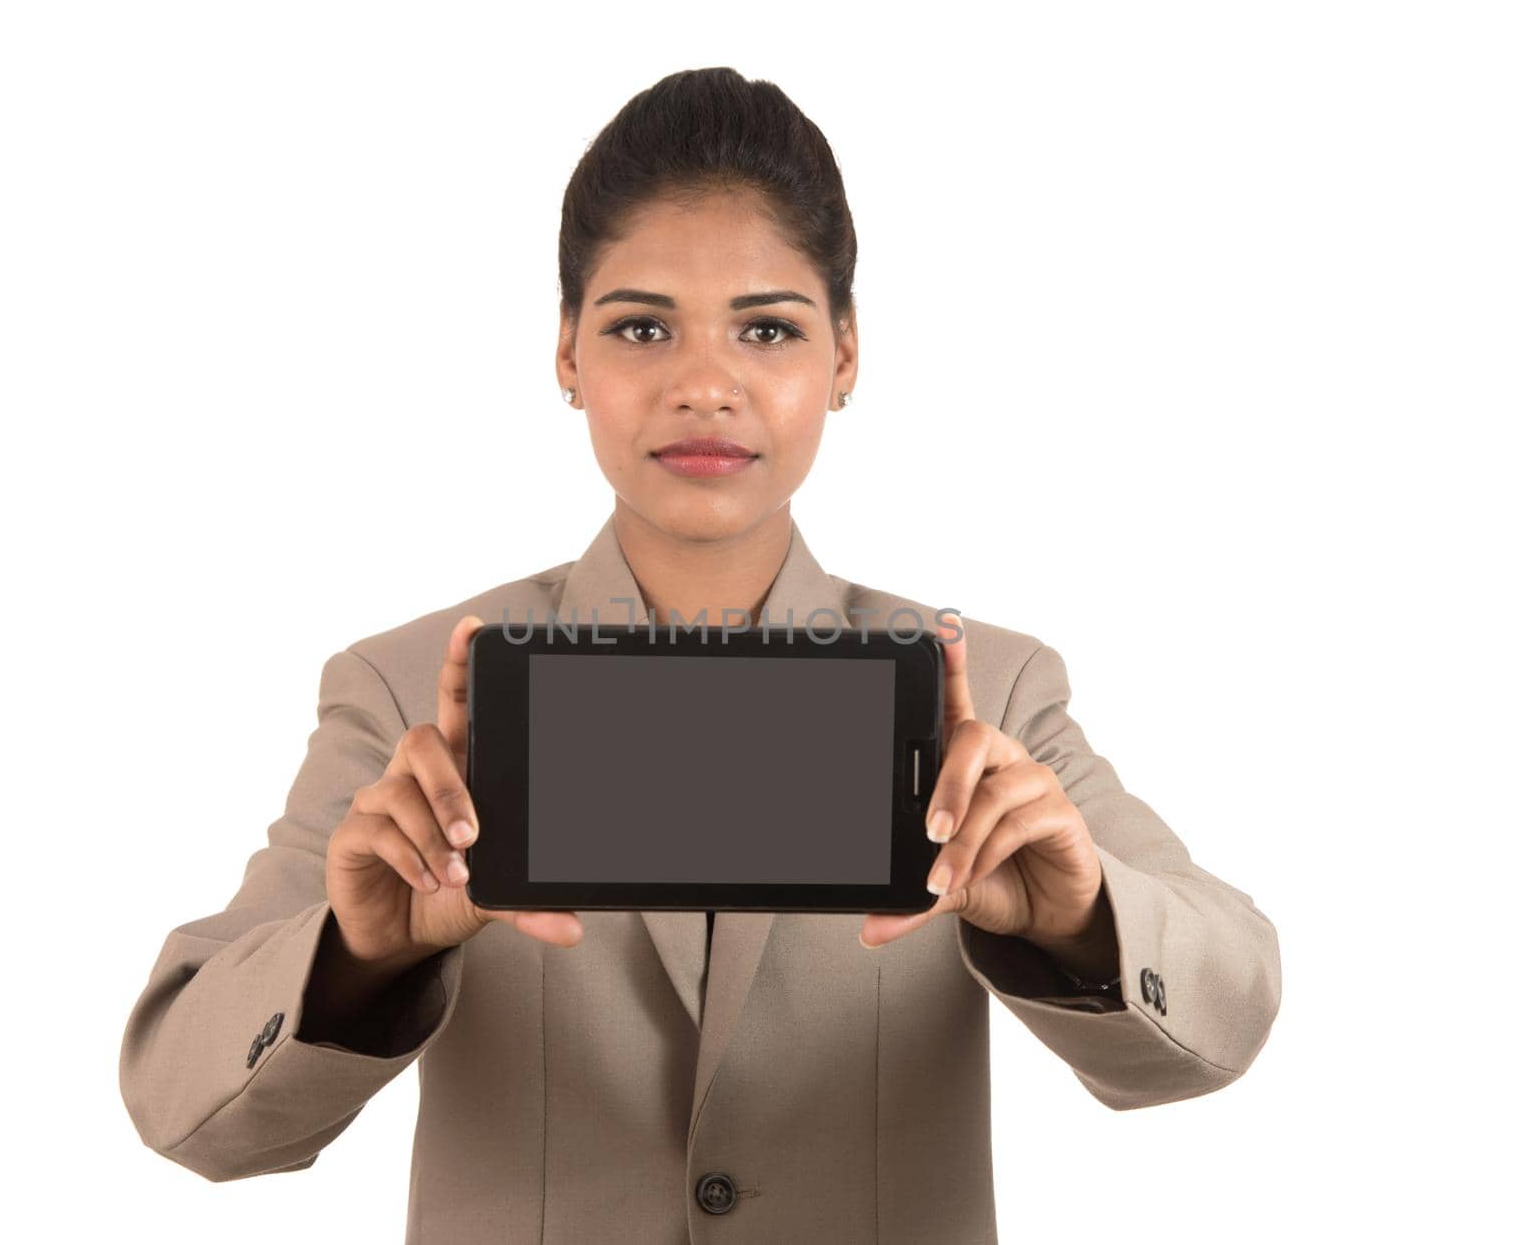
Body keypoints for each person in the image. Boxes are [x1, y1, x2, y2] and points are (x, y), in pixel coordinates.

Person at [119, 66, 1282, 1243]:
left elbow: (1225, 1016)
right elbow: (184, 1106)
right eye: (639, 326)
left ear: (844, 357)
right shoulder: (412, 687)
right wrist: (355, 955)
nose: (704, 385)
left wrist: (1078, 918)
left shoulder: (982, 688)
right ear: (567, 352)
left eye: (767, 328)